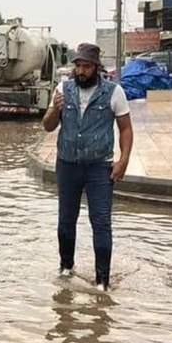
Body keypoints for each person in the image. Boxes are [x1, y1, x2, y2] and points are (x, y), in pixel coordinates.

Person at [42, 43, 133, 290]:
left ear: (96, 68)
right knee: (65, 220)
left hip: (99, 168)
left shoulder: (114, 93)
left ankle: (102, 281)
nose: (81, 71)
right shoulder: (62, 89)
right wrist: (54, 109)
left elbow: (125, 129)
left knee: (101, 222)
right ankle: (65, 268)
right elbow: (48, 126)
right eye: (78, 66)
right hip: (68, 165)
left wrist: (123, 161)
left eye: (87, 67)